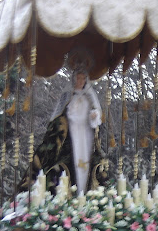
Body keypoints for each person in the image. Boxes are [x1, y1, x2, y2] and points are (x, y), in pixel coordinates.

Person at [26, 64, 103, 195]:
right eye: (78, 78)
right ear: (74, 80)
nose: (80, 81)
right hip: (72, 135)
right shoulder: (68, 96)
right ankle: (73, 190)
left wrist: (94, 116)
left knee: (87, 161)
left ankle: (85, 190)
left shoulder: (89, 98)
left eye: (83, 79)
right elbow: (59, 116)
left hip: (86, 135)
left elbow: (96, 120)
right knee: (71, 161)